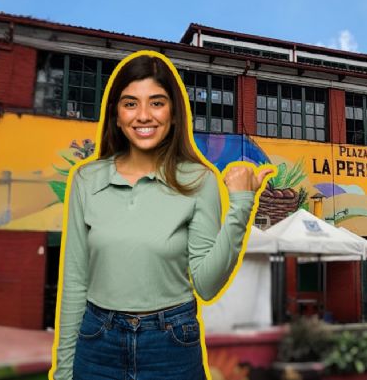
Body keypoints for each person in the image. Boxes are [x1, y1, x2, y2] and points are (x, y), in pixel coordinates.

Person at [50, 51, 273, 380]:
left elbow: (207, 285)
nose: (143, 116)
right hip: (97, 342)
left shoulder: (199, 181)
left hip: (171, 344)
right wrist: (64, 371)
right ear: (115, 114)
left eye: (156, 103)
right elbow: (74, 282)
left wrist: (241, 204)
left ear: (173, 113)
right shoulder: (86, 180)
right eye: (130, 103)